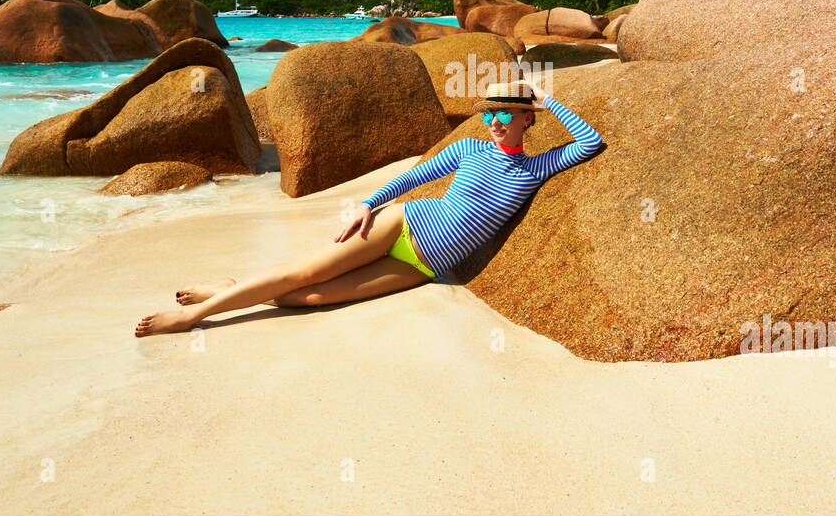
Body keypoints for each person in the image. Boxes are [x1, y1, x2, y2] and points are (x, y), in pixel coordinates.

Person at [134, 79, 603, 336]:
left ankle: (230, 287)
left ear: (525, 120)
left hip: (422, 266)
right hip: (403, 224)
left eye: (505, 114)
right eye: (488, 114)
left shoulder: (537, 167)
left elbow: (591, 141)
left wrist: (546, 99)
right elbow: (415, 177)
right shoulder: (470, 150)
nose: (494, 122)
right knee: (306, 273)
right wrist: (368, 204)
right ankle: (197, 316)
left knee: (309, 299)